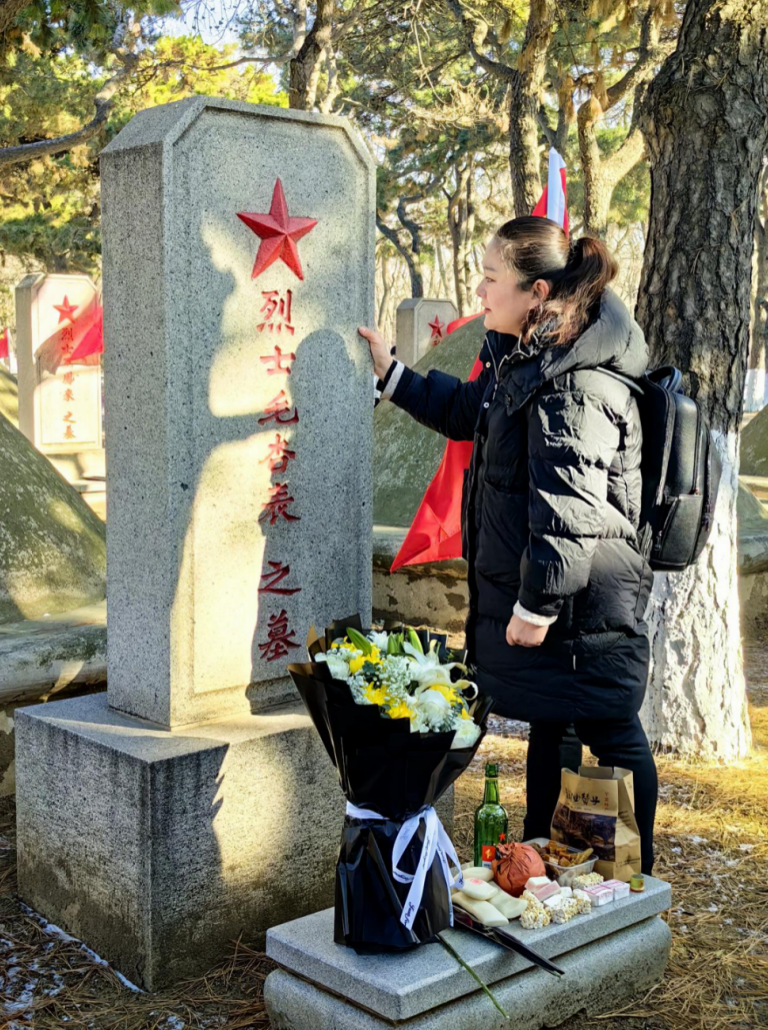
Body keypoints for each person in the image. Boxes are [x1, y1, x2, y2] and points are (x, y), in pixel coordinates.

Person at [358, 216, 658, 875]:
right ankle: (551, 868)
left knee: (605, 728)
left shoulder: (575, 382)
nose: (480, 289)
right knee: (557, 723)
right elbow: (474, 412)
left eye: (492, 278)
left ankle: (619, 886)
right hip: (567, 596)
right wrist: (397, 377)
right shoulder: (530, 358)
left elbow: (573, 508)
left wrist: (538, 604)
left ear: (537, 292)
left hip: (584, 604)